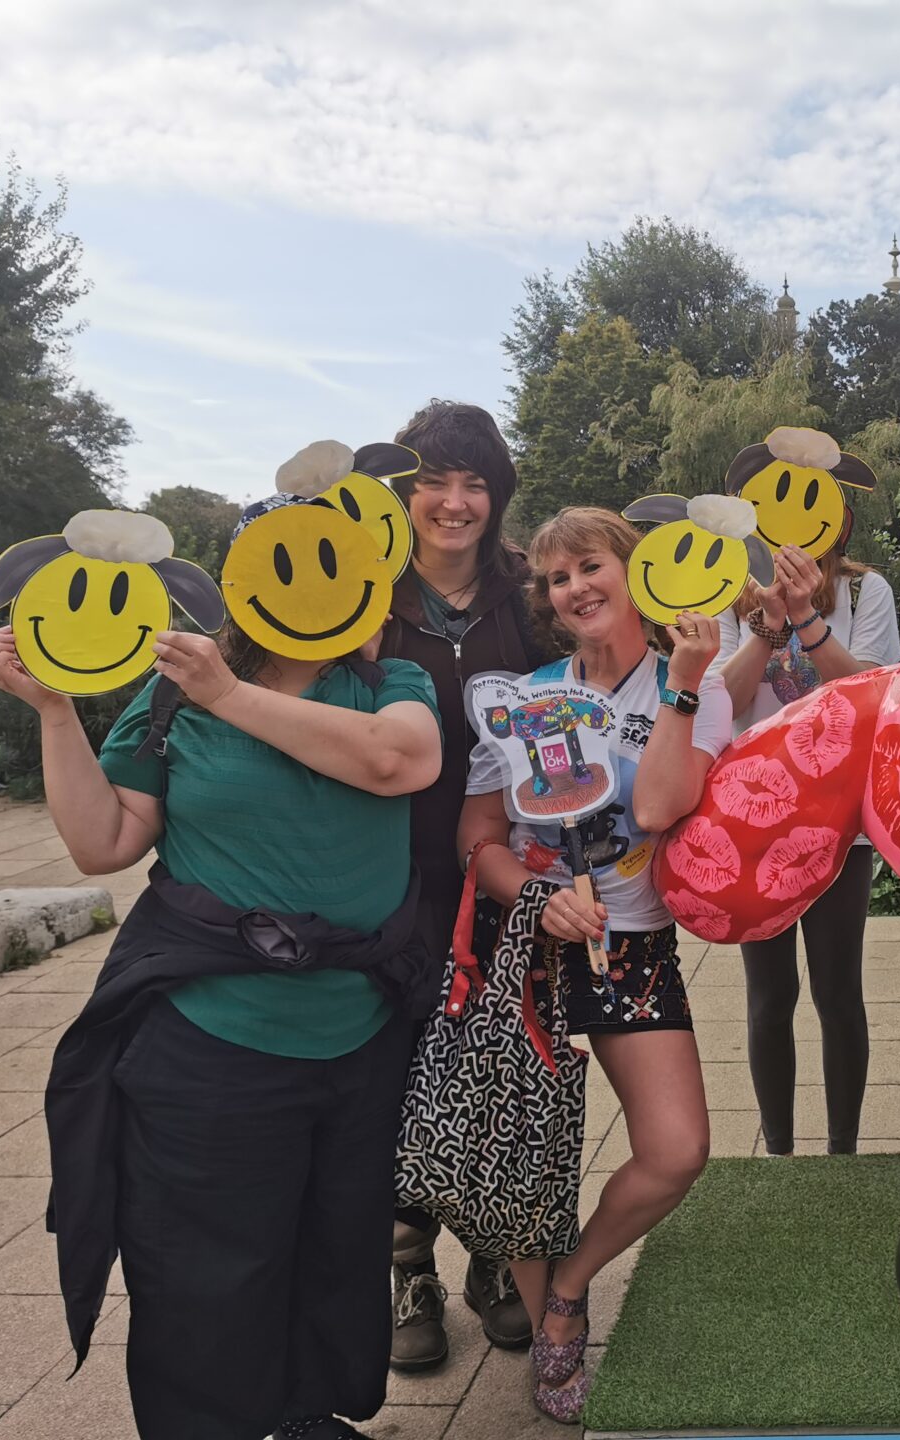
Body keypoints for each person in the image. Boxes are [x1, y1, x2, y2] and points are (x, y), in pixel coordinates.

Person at [0, 505, 444, 1440]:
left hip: (359, 1039)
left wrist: (230, 694)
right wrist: (55, 709)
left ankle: (309, 1415)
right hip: (213, 1044)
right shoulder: (169, 701)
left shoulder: (392, 683)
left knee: (331, 1246)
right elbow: (103, 843)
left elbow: (399, 763)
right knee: (205, 1270)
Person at [456, 506, 730, 1422]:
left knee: (676, 1148)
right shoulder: (517, 696)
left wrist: (684, 686)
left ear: (633, 570)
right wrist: (533, 897)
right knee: (529, 1167)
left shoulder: (695, 683)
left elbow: (656, 810)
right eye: (557, 576)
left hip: (634, 947)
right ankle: (551, 1329)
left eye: (589, 566)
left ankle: (570, 1281)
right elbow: (479, 840)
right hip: (529, 948)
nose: (574, 587)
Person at [378, 400, 545, 1368]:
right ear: (404, 495)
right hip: (385, 879)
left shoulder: (526, 597)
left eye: (473, 481)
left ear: (497, 492)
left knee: (496, 1072)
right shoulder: (363, 598)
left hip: (505, 878)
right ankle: (408, 1263)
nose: (453, 501)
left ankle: (491, 1253)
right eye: (432, 481)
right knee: (396, 1076)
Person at [710, 531, 900, 1154]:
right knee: (770, 995)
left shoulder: (863, 590)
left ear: (836, 518)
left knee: (837, 989)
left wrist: (807, 619)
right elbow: (723, 706)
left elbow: (873, 694)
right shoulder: (730, 597)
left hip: (842, 817)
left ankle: (843, 1149)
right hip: (754, 819)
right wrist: (767, 623)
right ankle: (780, 1152)